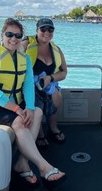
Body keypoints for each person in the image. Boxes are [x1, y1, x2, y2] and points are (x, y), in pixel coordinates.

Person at [0, 18, 66, 188]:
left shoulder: (23, 58)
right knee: (19, 121)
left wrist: (29, 108)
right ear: (2, 35)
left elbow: (28, 84)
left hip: (11, 104)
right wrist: (18, 109)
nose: (14, 39)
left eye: (18, 35)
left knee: (37, 112)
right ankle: (44, 167)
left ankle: (22, 163)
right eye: (10, 34)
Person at [22, 18, 67, 148]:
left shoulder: (56, 49)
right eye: (43, 29)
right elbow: (10, 55)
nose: (47, 32)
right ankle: (40, 133)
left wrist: (50, 78)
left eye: (50, 29)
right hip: (30, 85)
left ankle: (53, 128)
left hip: (49, 84)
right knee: (36, 102)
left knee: (56, 95)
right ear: (37, 30)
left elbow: (64, 72)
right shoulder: (26, 44)